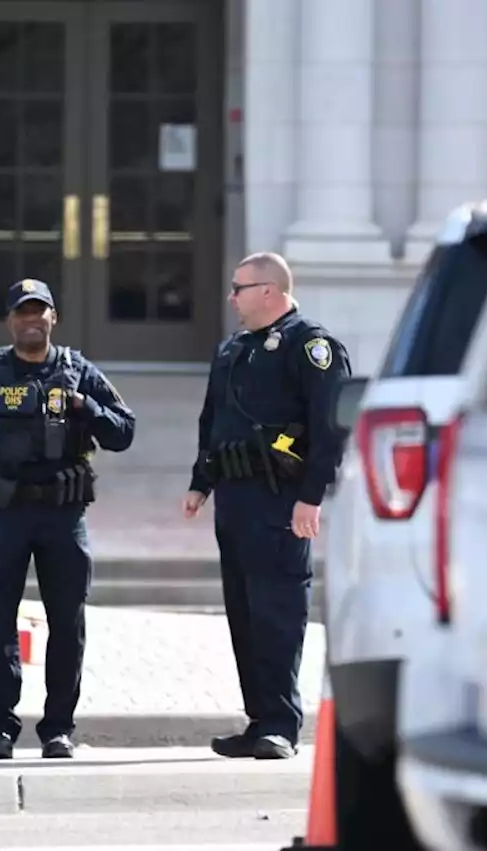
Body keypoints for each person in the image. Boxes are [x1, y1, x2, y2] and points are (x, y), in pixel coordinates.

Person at [182, 251, 351, 760]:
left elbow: (329, 429)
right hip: (235, 500)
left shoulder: (311, 347)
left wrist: (311, 497)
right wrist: (200, 483)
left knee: (277, 613)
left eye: (239, 287)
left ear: (269, 292)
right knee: (245, 614)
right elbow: (212, 422)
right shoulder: (234, 349)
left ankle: (281, 723)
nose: (231, 296)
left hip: (281, 501)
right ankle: (258, 720)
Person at [0, 278, 136, 759]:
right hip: (4, 514)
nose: (30, 321)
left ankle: (58, 729)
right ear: (9, 321)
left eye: (38, 312)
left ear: (53, 318)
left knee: (67, 623)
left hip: (62, 516)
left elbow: (124, 430)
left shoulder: (76, 370)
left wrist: (86, 407)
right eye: (22, 313)